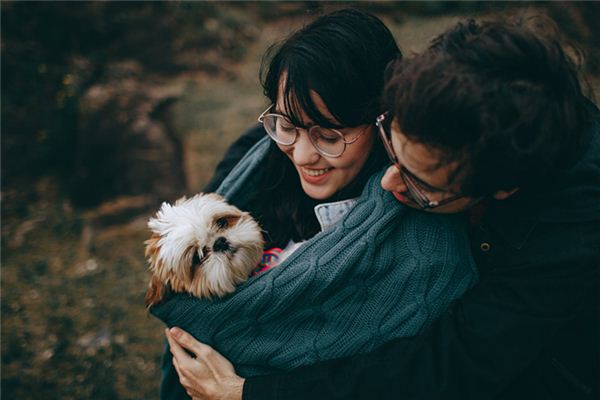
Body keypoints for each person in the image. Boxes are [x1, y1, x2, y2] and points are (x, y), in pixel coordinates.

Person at [164, 16, 600, 400]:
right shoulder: (442, 92)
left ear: (501, 190)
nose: (388, 183)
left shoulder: (569, 234)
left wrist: (250, 393)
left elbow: (454, 364)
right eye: (392, 149)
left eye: (419, 183)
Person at [154, 9, 477, 400]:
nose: (303, 154)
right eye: (287, 125)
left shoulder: (424, 240)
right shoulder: (255, 161)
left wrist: (243, 392)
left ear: (381, 119)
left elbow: (414, 375)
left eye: (328, 135)